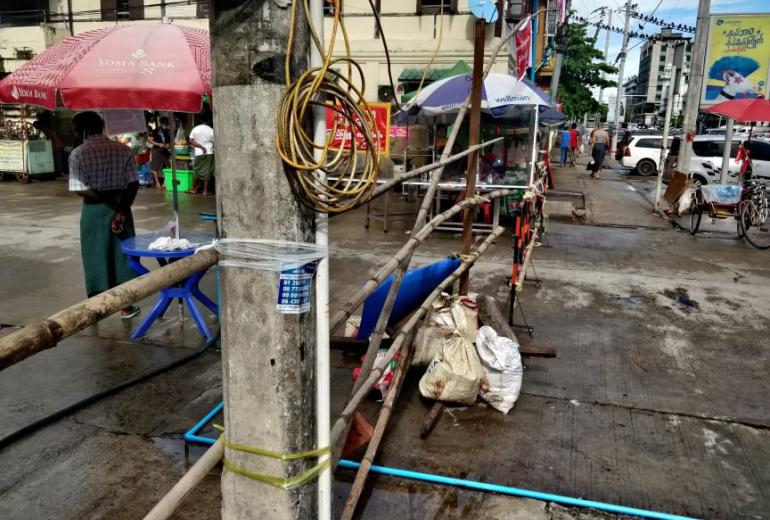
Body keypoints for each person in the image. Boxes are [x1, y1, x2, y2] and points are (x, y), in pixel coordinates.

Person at [68, 111, 140, 318]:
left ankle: (96, 308)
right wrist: (121, 210)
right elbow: (133, 184)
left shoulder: (78, 154)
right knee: (123, 255)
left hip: (94, 209)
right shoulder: (124, 151)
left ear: (84, 130)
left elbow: (78, 188)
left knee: (95, 255)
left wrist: (103, 198)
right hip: (122, 207)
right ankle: (126, 306)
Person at [188, 117, 215, 195]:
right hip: (209, 152)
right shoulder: (211, 130)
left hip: (199, 153)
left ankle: (193, 189)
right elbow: (215, 141)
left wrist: (200, 146)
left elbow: (191, 140)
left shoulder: (195, 129)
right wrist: (204, 146)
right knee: (207, 171)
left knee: (196, 171)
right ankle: (205, 191)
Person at [149, 116, 172, 188]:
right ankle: (157, 182)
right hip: (156, 151)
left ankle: (165, 182)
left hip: (165, 151)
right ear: (161, 123)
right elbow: (150, 140)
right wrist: (158, 144)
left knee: (168, 166)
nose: (166, 124)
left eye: (167, 123)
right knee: (155, 167)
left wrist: (168, 145)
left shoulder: (168, 131)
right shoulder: (155, 130)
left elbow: (170, 141)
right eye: (164, 123)